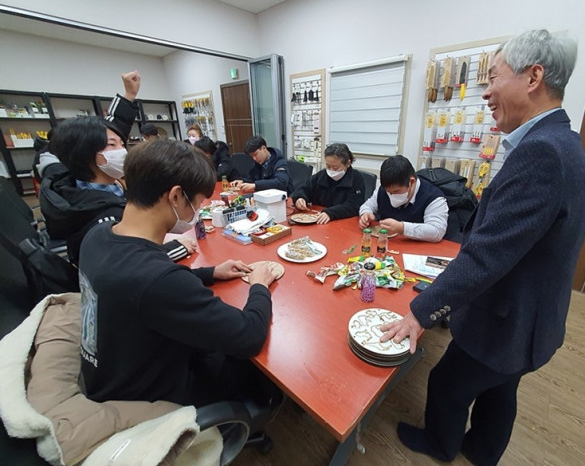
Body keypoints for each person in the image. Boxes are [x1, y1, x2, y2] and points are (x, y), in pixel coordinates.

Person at [379, 29, 585, 465]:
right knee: (501, 388)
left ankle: (442, 446)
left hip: (508, 320)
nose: (486, 92)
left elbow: (485, 254)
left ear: (533, 77)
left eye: (493, 77)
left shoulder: (543, 154)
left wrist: (420, 313)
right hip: (532, 319)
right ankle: (482, 450)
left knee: (446, 382)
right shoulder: (564, 143)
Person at [79, 139, 282, 410]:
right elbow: (248, 336)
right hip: (151, 397)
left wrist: (209, 272)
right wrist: (259, 286)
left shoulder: (96, 236)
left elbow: (140, 291)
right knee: (262, 368)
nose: (197, 212)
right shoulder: (158, 280)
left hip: (117, 371)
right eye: (197, 203)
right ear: (175, 196)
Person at [38, 71, 195, 265]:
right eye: (112, 145)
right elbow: (130, 262)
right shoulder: (99, 214)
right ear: (85, 153)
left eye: (122, 143)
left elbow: (112, 127)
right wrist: (176, 247)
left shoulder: (81, 180)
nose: (122, 151)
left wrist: (128, 96)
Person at [358, 155, 448, 241]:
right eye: (388, 192)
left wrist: (402, 228)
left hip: (417, 250)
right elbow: (367, 205)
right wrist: (365, 214)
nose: (391, 195)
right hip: (385, 244)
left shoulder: (434, 198)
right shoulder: (383, 189)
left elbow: (437, 231)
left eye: (396, 192)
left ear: (412, 182)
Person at [291, 143, 365, 224]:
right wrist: (300, 198)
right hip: (319, 219)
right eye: (328, 166)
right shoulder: (321, 176)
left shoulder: (356, 178)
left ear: (348, 163)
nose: (331, 170)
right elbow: (303, 188)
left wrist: (331, 213)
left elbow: (354, 206)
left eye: (335, 167)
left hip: (343, 222)